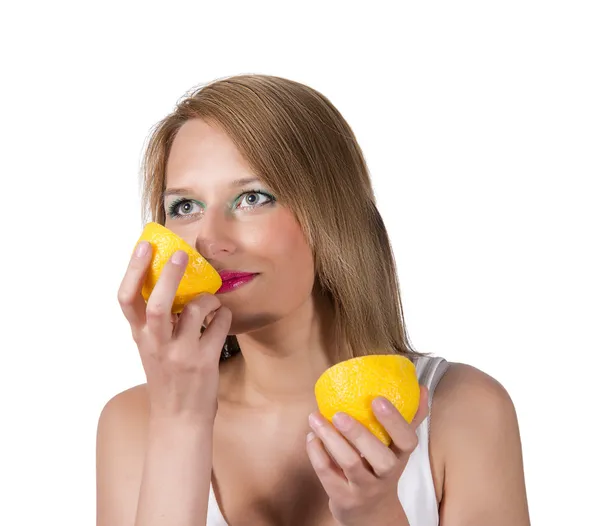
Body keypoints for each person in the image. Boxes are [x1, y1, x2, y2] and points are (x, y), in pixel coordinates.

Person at [96, 74, 530, 526]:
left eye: (252, 197)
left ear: (331, 215)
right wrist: (180, 421)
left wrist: (374, 513)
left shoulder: (462, 411)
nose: (209, 240)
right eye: (185, 207)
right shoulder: (133, 423)